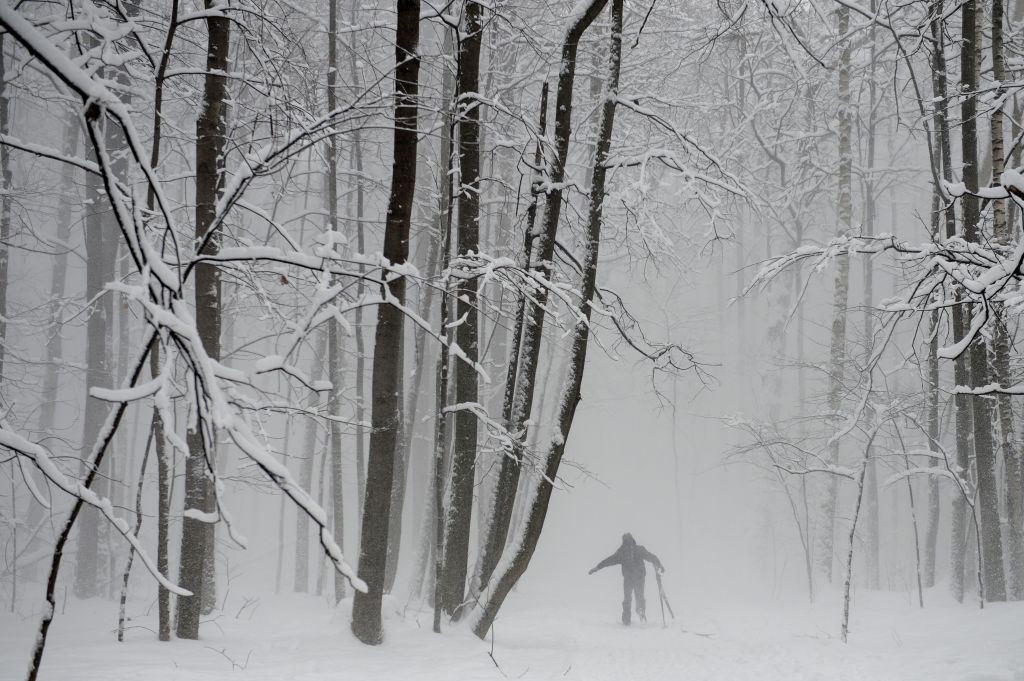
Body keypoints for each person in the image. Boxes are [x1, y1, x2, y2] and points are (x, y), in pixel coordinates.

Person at [588, 532, 664, 625]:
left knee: (627, 598)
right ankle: (641, 611)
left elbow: (608, 561)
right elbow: (651, 557)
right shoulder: (639, 549)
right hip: (640, 576)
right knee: (639, 595)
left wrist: (597, 567)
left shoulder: (621, 552)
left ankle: (626, 620)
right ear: (633, 540)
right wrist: (659, 564)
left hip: (628, 578)